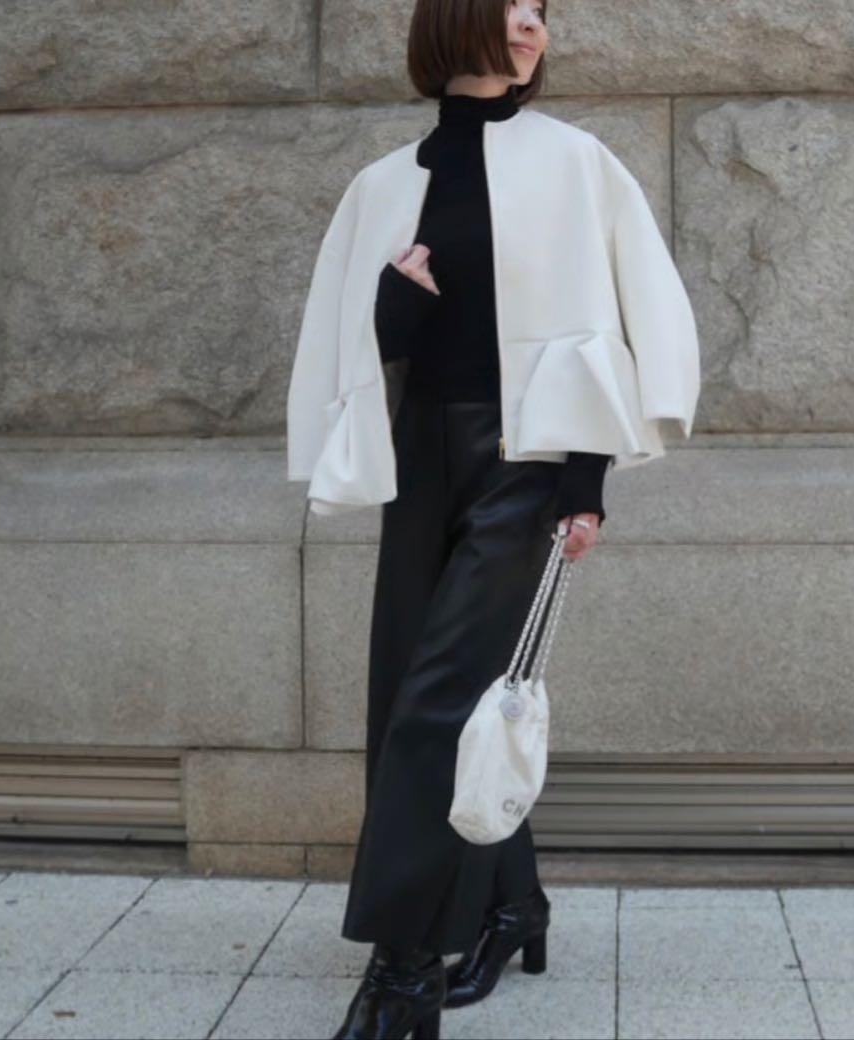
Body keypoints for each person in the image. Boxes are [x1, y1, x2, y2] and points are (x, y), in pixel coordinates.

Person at [286, 2, 701, 1035]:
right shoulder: (384, 184)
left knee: (436, 702)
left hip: (529, 466)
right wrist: (394, 313)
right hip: (421, 460)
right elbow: (361, 344)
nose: (530, 25)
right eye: (512, 3)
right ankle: (513, 906)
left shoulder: (575, 162)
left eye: (541, 11)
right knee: (418, 695)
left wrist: (586, 481)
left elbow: (607, 319)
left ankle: (404, 971)